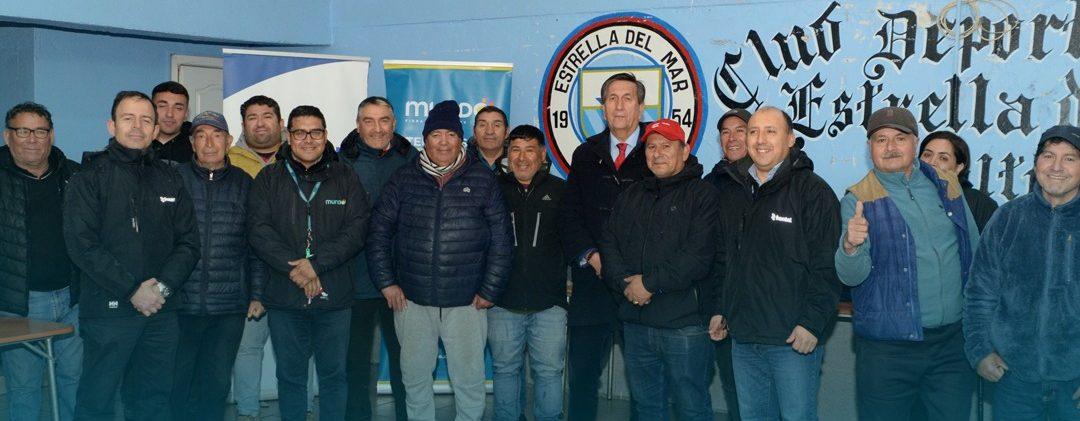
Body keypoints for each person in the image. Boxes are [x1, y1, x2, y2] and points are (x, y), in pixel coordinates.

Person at [367, 99, 512, 421]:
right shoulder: (403, 179)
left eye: (450, 134)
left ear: (461, 139)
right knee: (415, 380)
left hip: (466, 303)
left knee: (470, 381)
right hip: (413, 302)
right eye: (436, 135)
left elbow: (502, 241)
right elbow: (378, 233)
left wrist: (489, 290)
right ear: (425, 139)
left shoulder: (482, 180)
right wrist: (386, 282)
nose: (443, 141)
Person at [835, 107, 979, 421]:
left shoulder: (946, 185)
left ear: (915, 144)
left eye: (900, 138)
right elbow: (851, 276)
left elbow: (974, 251)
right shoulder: (857, 199)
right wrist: (850, 247)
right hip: (887, 350)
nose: (890, 147)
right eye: (881, 139)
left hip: (950, 348)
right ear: (869, 148)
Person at [65, 90, 200, 421]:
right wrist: (132, 290)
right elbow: (82, 245)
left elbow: (189, 243)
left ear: (156, 130)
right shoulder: (88, 178)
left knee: (153, 400)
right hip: (109, 311)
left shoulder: (171, 178)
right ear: (112, 125)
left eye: (146, 120)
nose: (137, 127)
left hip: (161, 312)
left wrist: (161, 289)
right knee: (98, 401)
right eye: (128, 118)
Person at [713, 107, 841, 420]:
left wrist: (811, 323)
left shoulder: (814, 192)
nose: (760, 140)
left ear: (790, 140)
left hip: (792, 340)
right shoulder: (735, 190)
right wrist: (721, 308)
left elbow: (827, 266)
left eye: (771, 131)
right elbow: (726, 258)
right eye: (753, 131)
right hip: (743, 337)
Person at [247, 105, 370, 421]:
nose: (308, 139)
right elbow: (258, 230)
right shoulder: (269, 178)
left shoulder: (346, 177)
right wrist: (295, 269)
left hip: (335, 297)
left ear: (326, 135)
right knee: (290, 378)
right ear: (288, 135)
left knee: (333, 377)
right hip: (286, 298)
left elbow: (357, 229)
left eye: (315, 132)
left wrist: (315, 265)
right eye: (300, 132)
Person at [599, 118, 721, 421]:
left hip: (684, 325)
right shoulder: (632, 194)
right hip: (637, 322)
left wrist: (648, 284)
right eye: (651, 147)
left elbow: (698, 255)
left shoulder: (703, 194)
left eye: (666, 146)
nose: (657, 153)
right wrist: (627, 284)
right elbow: (609, 241)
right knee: (646, 408)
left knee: (691, 407)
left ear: (685, 150)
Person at [964, 124, 1080, 420]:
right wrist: (980, 351)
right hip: (1014, 381)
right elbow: (980, 294)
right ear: (1036, 162)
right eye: (1048, 155)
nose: (1056, 167)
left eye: (1069, 158)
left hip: (1074, 387)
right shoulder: (1007, 218)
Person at [558, 72, 650, 421]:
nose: (620, 105)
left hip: (640, 289)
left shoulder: (658, 150)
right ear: (603, 108)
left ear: (641, 107)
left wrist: (641, 274)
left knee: (644, 384)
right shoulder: (585, 154)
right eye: (612, 98)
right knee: (581, 380)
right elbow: (570, 215)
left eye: (628, 98)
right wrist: (591, 256)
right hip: (592, 287)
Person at [171, 111, 266, 421]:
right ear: (192, 143)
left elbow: (256, 244)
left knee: (215, 384)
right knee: (176, 384)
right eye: (201, 135)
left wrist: (257, 293)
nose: (209, 142)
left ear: (228, 141)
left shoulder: (245, 184)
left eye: (216, 135)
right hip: (179, 304)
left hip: (228, 306)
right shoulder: (174, 180)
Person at [229, 95, 318, 420]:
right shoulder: (228, 161)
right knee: (248, 346)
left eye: (267, 116)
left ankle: (304, 410)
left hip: (296, 272)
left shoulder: (301, 160)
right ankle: (248, 412)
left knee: (299, 350)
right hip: (247, 272)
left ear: (281, 124)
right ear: (243, 124)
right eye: (252, 117)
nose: (260, 122)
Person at [0, 102, 82, 421]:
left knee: (75, 382)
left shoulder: (74, 175)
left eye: (40, 130)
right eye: (23, 130)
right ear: (9, 136)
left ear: (51, 135)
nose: (32, 138)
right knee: (24, 388)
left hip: (72, 298)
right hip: (19, 303)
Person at [338, 96, 416, 421]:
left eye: (384, 120)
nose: (377, 128)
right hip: (354, 282)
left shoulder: (413, 161)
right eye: (368, 121)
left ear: (394, 124)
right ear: (358, 125)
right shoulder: (341, 163)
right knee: (354, 364)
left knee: (405, 364)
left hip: (402, 282)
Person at [489, 124, 568, 421]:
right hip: (502, 302)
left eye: (529, 150)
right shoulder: (492, 189)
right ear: (508, 154)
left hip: (549, 304)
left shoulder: (561, 191)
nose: (522, 157)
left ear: (542, 154)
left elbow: (573, 240)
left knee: (549, 372)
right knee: (505, 370)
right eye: (516, 150)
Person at [701, 107, 751, 421]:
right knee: (736, 395)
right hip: (719, 304)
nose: (731, 138)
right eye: (725, 132)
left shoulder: (768, 179)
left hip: (762, 309)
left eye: (740, 130)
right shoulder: (711, 183)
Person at [918, 131, 999, 232]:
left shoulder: (979, 204)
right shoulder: (902, 195)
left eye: (943, 158)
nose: (932, 162)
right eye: (927, 155)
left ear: (958, 168)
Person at [150, 81, 193, 163]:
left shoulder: (197, 144)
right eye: (162, 106)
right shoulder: (137, 140)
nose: (169, 114)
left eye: (178, 108)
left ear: (186, 113)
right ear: (151, 109)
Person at [467, 105, 510, 174]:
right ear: (474, 131)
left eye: (496, 125)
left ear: (507, 132)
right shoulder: (460, 164)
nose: (489, 131)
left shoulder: (518, 164)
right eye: (482, 125)